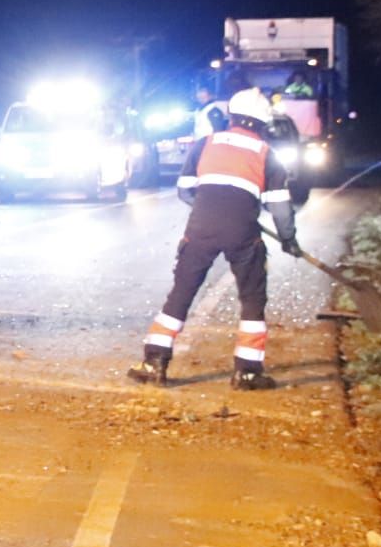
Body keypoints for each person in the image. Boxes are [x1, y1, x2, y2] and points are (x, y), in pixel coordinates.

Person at [128, 88, 299, 391]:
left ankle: (154, 362)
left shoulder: (205, 144)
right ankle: (247, 372)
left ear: (231, 116)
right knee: (252, 298)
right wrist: (288, 239)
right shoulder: (266, 155)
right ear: (262, 124)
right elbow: (280, 209)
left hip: (201, 229)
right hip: (243, 234)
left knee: (182, 292)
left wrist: (210, 209)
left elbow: (184, 190)